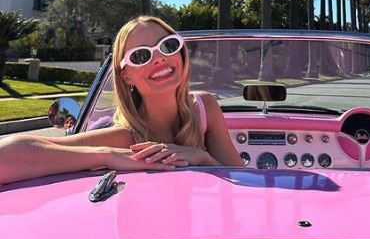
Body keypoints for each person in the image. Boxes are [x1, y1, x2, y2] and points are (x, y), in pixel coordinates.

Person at [0, 16, 243, 185]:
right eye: (140, 55)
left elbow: (241, 179)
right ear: (126, 75)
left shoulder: (204, 108)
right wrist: (106, 155)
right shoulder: (126, 138)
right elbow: (5, 156)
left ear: (180, 53)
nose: (159, 58)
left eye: (167, 45)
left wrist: (201, 157)